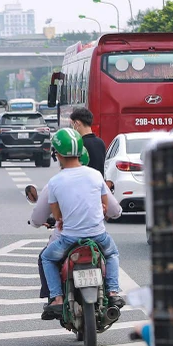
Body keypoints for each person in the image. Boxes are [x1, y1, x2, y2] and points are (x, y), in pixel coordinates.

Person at [39, 128, 124, 320]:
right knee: (111, 253)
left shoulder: (55, 182)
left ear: (58, 154)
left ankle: (57, 298)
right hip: (98, 235)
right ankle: (112, 292)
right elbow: (106, 204)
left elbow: (58, 216)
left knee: (47, 258)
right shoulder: (95, 175)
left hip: (70, 238)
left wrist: (61, 219)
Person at [69, 107, 107, 176]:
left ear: (77, 123)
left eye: (72, 124)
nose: (73, 127)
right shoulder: (101, 143)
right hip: (99, 182)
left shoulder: (79, 144)